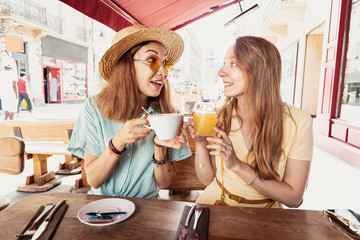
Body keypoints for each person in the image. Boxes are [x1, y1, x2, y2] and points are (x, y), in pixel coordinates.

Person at [186, 36, 313, 208]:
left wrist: (237, 165)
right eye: (224, 63)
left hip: (265, 215)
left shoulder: (298, 122)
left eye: (233, 63)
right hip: (216, 204)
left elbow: (293, 198)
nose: (221, 72)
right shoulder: (219, 116)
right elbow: (207, 179)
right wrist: (200, 142)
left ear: (259, 70)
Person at [68, 25, 191, 198]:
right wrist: (118, 141)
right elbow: (94, 180)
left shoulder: (169, 113)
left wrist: (160, 147)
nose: (163, 72)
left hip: (148, 209)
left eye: (166, 63)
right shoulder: (94, 107)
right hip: (103, 208)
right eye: (152, 61)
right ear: (126, 65)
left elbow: (165, 183)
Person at [0, 53, 18, 121]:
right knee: (12, 109)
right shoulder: (13, 73)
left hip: (3, 94)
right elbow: (14, 85)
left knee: (7, 108)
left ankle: (5, 120)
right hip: (11, 93)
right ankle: (11, 122)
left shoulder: (1, 73)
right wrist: (16, 94)